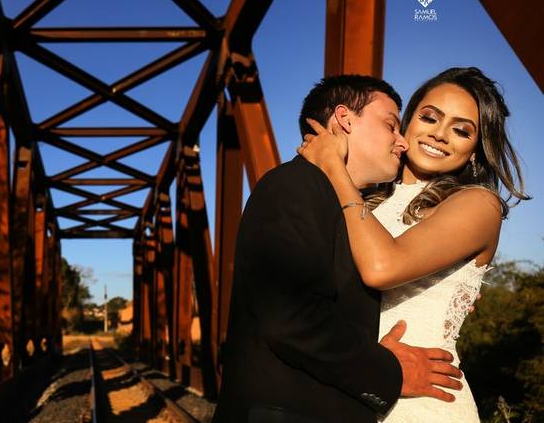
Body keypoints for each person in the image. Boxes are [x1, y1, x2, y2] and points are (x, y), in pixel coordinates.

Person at [213, 75, 463, 423]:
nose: (402, 141)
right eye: (390, 125)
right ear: (344, 119)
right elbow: (291, 315)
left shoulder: (344, 206)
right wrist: (389, 372)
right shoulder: (294, 184)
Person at [296, 67, 530, 422]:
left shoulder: (479, 205)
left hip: (423, 401)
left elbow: (382, 268)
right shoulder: (364, 200)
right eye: (429, 117)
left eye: (461, 130)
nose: (440, 134)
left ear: (475, 150)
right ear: (406, 123)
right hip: (355, 388)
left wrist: (333, 168)